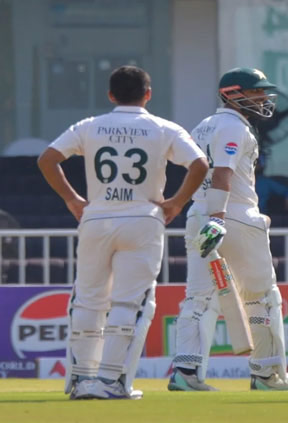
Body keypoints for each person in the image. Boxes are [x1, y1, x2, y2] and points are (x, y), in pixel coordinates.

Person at [37, 65, 208, 399]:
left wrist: (73, 199)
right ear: (148, 94)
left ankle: (81, 379)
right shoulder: (163, 128)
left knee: (87, 299)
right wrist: (175, 203)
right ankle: (112, 381)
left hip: (97, 218)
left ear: (111, 95)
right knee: (131, 303)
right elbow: (200, 165)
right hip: (143, 220)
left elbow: (47, 159)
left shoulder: (90, 126)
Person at [168, 67, 288, 392]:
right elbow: (223, 173)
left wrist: (207, 215)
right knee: (261, 296)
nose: (264, 98)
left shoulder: (202, 126)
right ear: (234, 94)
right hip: (231, 216)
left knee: (198, 297)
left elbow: (199, 172)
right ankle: (267, 374)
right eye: (257, 92)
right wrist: (220, 217)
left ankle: (186, 371)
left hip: (200, 214)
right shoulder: (232, 126)